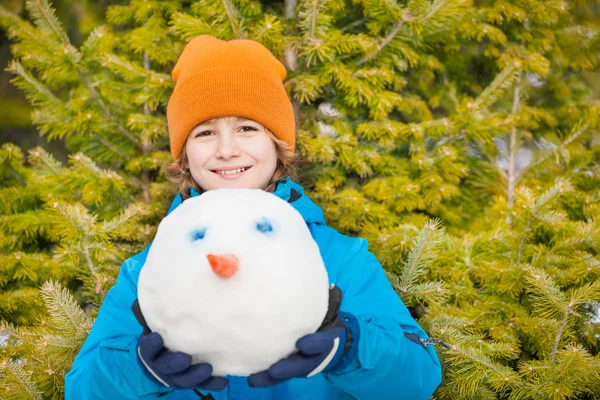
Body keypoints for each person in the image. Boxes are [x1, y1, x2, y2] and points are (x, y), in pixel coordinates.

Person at [65, 35, 442, 400]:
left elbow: (417, 379)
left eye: (247, 128)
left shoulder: (338, 260)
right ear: (184, 155)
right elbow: (82, 391)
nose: (227, 150)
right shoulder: (149, 268)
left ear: (277, 145)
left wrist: (350, 347)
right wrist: (138, 370)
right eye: (205, 132)